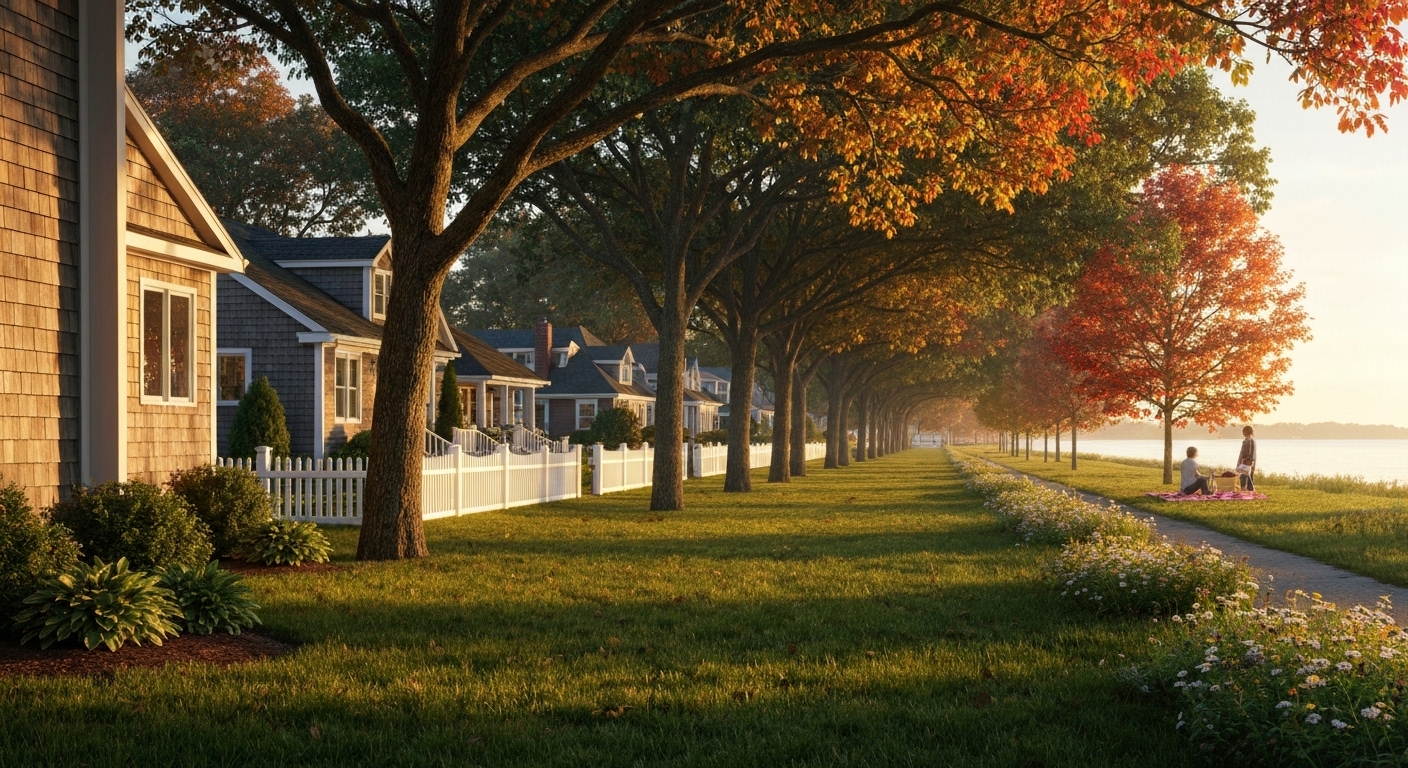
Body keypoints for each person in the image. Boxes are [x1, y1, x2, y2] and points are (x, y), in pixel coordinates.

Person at [1238, 425, 1257, 491]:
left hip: (1247, 461)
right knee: (1247, 476)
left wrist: (1250, 461)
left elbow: (1249, 452)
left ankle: (1248, 489)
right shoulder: (1248, 440)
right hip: (1245, 461)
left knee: (1246, 476)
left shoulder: (1250, 441)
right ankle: (1248, 489)